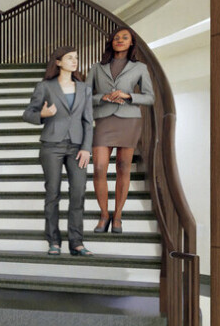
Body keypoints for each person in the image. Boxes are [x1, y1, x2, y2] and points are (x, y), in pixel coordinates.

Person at [20, 45, 94, 256]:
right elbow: (27, 114)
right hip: (51, 146)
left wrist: (87, 148)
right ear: (58, 62)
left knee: (78, 193)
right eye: (69, 58)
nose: (74, 61)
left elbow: (88, 122)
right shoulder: (45, 86)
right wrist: (42, 114)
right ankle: (54, 241)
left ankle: (77, 242)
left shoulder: (84, 89)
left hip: (78, 148)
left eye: (76, 58)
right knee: (52, 194)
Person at [89, 26, 155, 235]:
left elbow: (150, 97)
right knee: (99, 168)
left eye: (125, 37)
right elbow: (83, 97)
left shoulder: (140, 68)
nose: (120, 40)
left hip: (129, 120)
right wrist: (103, 97)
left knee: (123, 167)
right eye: (116, 37)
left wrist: (128, 96)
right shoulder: (96, 68)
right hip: (103, 120)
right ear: (111, 41)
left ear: (131, 43)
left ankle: (117, 215)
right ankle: (104, 214)